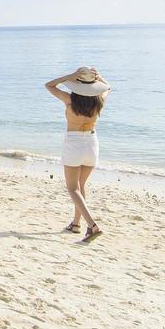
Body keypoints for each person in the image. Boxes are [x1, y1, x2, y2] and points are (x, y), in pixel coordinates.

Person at [44, 66, 110, 242]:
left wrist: (70, 76)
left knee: (73, 188)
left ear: (78, 84)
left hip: (74, 143)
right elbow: (108, 87)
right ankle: (75, 223)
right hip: (92, 142)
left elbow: (49, 85)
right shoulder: (99, 100)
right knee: (80, 186)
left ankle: (92, 225)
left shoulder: (70, 99)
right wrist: (99, 76)